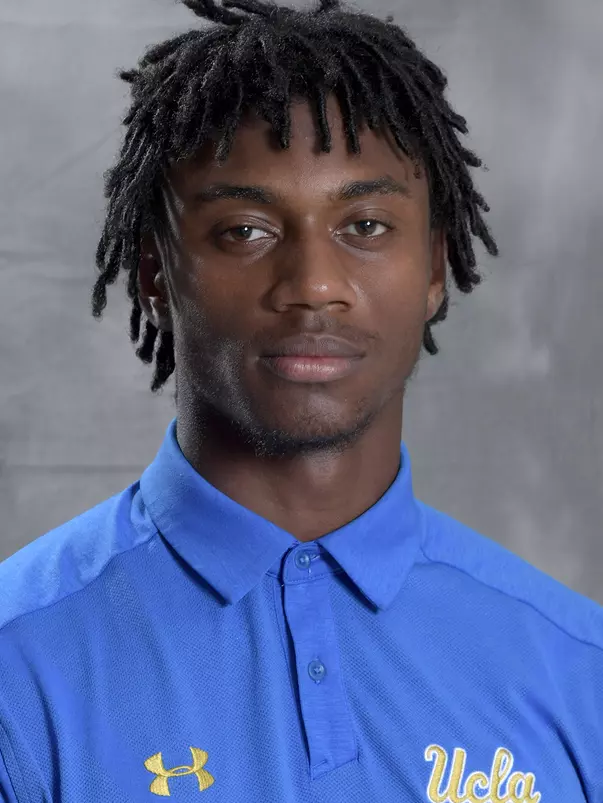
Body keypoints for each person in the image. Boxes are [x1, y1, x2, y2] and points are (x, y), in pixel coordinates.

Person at [0, 0, 601, 800]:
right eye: (244, 230)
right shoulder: (19, 668)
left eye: (365, 224)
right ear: (153, 276)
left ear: (433, 269)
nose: (314, 285)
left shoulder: (575, 668)